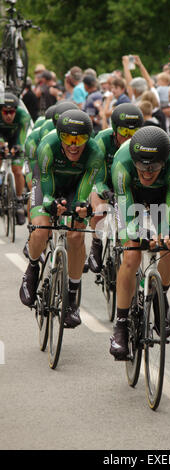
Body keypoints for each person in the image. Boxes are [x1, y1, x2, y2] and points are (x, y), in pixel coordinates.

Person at [19, 110, 105, 327]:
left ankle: (72, 298)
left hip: (75, 189)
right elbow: (45, 185)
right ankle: (32, 268)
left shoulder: (95, 153)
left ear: (88, 138)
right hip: (48, 186)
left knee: (76, 235)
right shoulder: (47, 146)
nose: (74, 145)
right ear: (59, 136)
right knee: (41, 228)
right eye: (67, 138)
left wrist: (81, 206)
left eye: (80, 139)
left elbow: (84, 190)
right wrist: (50, 204)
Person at [110, 126, 170, 359]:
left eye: (153, 167)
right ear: (134, 161)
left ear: (163, 161)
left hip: (160, 200)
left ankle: (159, 298)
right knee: (131, 254)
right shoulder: (122, 162)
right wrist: (138, 236)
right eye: (142, 166)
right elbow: (124, 206)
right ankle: (120, 327)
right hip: (131, 198)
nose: (147, 172)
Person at [86, 103, 144, 274]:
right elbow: (96, 177)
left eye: (134, 133)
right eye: (125, 133)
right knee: (100, 210)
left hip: (127, 184)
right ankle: (96, 244)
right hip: (105, 182)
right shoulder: (102, 140)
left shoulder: (144, 142)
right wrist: (105, 192)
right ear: (114, 130)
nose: (129, 138)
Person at [0, 92, 31, 225]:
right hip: (1, 136)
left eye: (11, 112)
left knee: (18, 171)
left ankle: (18, 200)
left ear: (16, 110)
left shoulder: (23, 116)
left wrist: (17, 147)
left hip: (16, 138)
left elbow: (22, 136)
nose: (8, 115)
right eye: (5, 112)